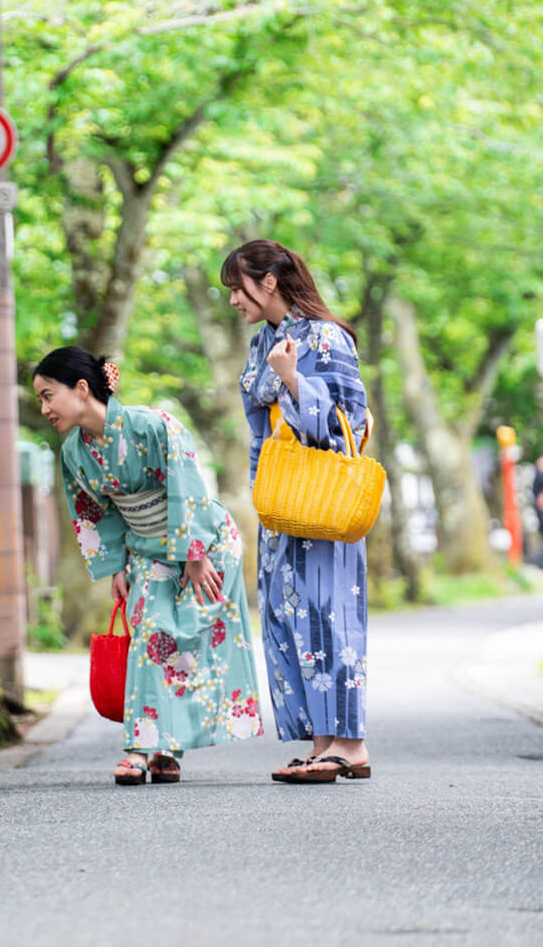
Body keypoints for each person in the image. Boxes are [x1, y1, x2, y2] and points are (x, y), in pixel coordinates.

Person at [34, 347, 262, 785]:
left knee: (191, 636)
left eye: (48, 396)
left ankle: (166, 749)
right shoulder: (75, 453)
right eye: (41, 400)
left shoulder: (153, 426)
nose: (45, 409)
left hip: (204, 542)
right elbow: (94, 513)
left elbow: (187, 482)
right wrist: (115, 566)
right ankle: (140, 749)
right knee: (150, 634)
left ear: (81, 389)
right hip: (146, 549)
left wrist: (195, 555)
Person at [222, 239, 372, 784]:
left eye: (237, 287)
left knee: (329, 613)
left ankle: (351, 744)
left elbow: (349, 423)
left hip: (323, 497)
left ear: (268, 281)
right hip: (280, 497)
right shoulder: (263, 340)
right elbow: (256, 425)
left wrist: (290, 379)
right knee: (287, 617)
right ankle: (321, 744)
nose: (233, 300)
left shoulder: (327, 338)